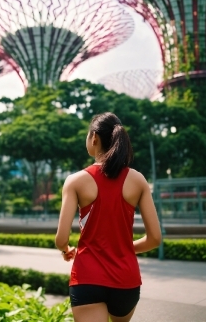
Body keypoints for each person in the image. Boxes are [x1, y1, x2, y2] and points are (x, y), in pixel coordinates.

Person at [55, 112, 162, 322]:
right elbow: (155, 239)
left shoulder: (75, 181)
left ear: (94, 138)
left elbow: (61, 239)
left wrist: (66, 250)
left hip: (87, 278)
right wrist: (121, 247)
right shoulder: (138, 180)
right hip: (127, 281)